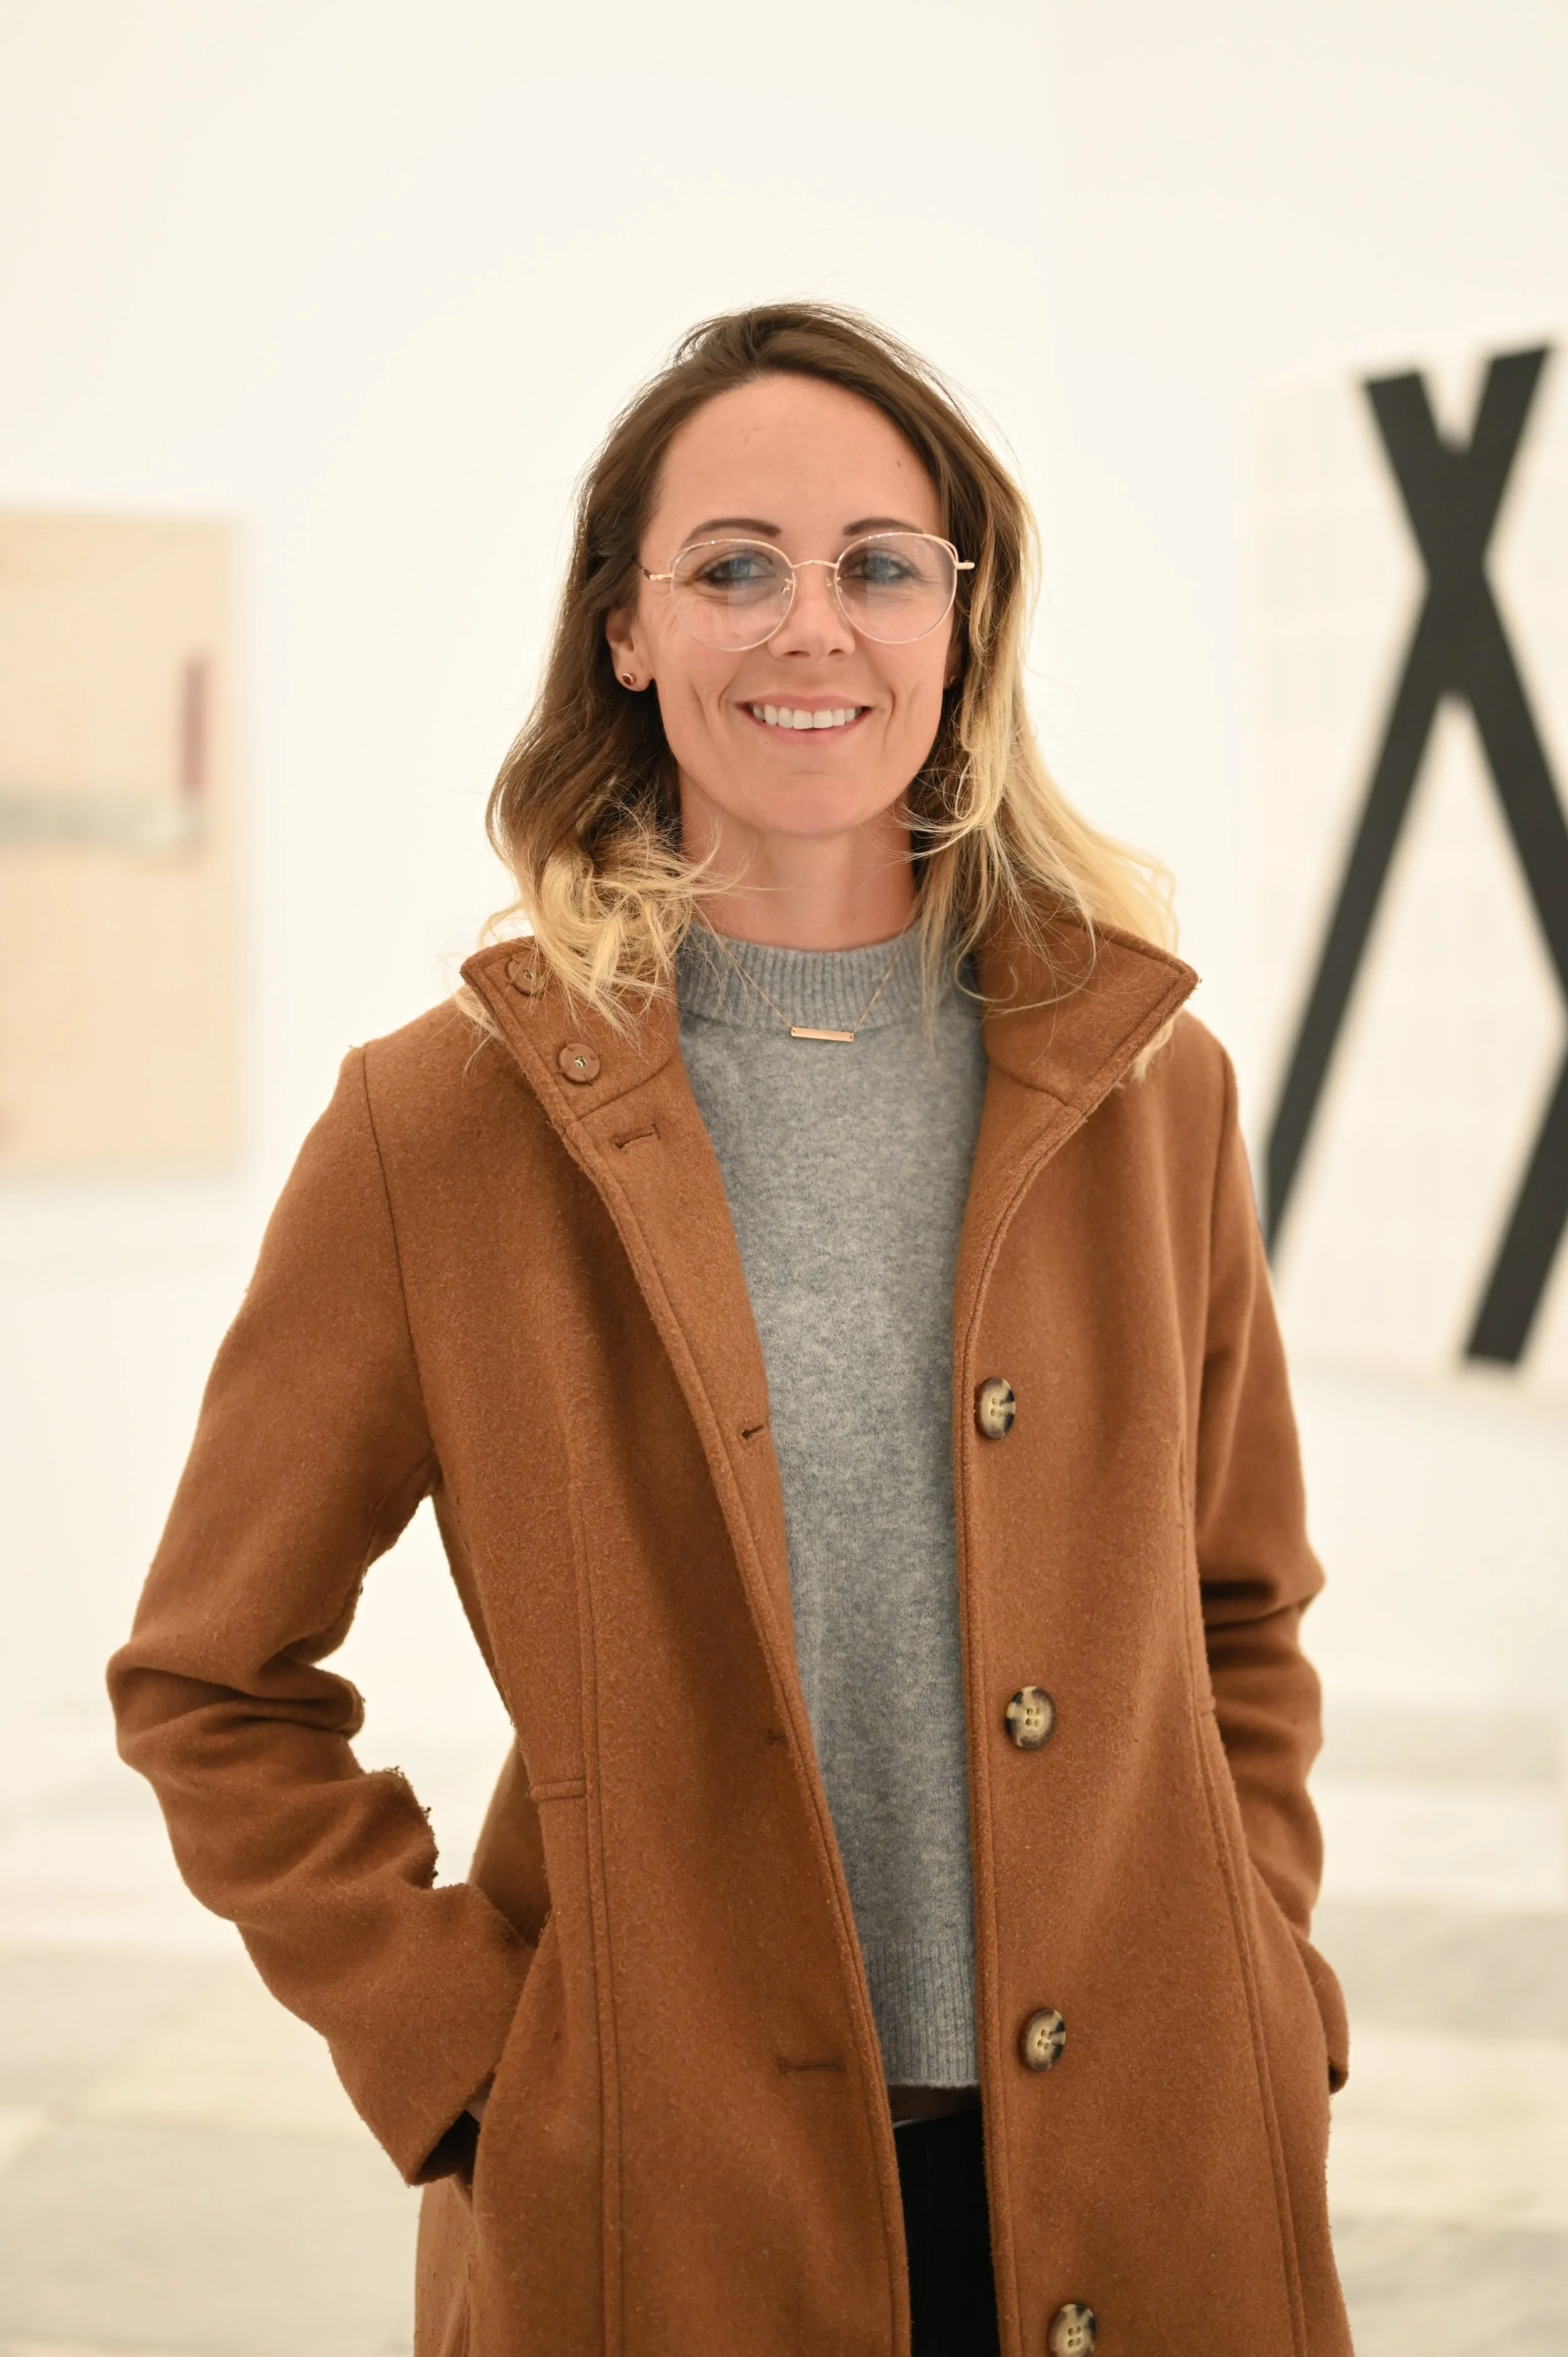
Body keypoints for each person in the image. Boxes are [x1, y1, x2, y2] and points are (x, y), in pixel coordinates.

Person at [109, 302, 1352, 2357]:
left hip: (1158, 2165)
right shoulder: (442, 1123)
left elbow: (1238, 1613)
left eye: (879, 562)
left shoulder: (1147, 1082)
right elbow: (209, 1677)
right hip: (662, 2213)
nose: (813, 627)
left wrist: (1263, 1970)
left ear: (963, 617)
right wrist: (474, 2063)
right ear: (625, 626)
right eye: (736, 565)